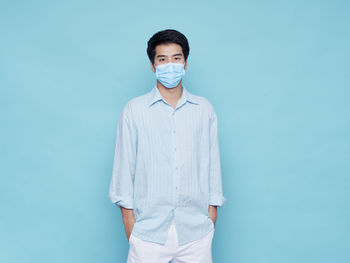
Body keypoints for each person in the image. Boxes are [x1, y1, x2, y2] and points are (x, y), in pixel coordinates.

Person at [108, 29, 226, 263]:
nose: (170, 65)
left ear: (185, 63)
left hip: (196, 232)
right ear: (153, 65)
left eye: (176, 58)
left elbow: (212, 164)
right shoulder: (134, 110)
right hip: (148, 233)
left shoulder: (204, 110)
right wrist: (131, 227)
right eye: (162, 59)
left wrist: (211, 217)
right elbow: (123, 169)